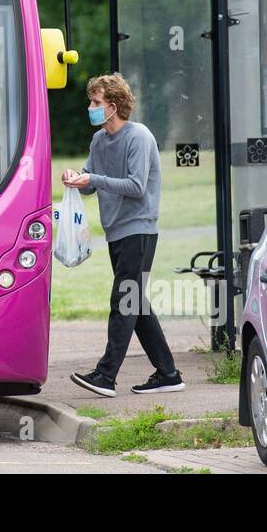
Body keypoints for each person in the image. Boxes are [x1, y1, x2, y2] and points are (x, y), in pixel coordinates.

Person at [61, 73, 184, 397]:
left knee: (123, 301)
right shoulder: (99, 141)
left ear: (113, 107)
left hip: (139, 229)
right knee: (136, 303)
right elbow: (91, 182)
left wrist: (93, 179)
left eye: (96, 102)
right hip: (116, 232)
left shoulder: (138, 137)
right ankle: (168, 374)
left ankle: (106, 375)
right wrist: (77, 179)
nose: (91, 107)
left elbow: (136, 185)